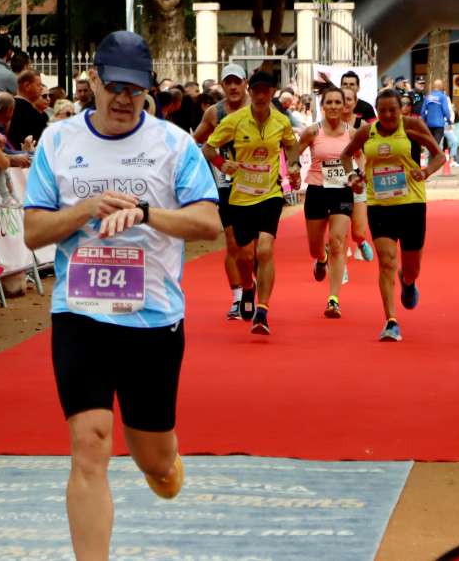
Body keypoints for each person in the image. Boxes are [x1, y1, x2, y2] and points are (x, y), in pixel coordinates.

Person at [22, 30, 220, 561]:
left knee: (152, 459)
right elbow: (34, 233)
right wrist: (86, 210)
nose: (125, 99)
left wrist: (149, 213)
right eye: (114, 87)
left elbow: (208, 223)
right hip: (79, 314)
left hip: (152, 320)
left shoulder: (173, 144)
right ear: (92, 81)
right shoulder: (58, 143)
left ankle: (165, 462)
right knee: (89, 445)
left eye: (135, 89)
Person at [202, 69, 300, 335]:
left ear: (272, 93)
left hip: (269, 195)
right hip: (240, 196)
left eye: (265, 90)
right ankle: (248, 288)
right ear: (250, 91)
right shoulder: (234, 120)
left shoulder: (281, 121)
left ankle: (263, 310)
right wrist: (224, 164)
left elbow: (291, 147)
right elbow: (208, 148)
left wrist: (294, 167)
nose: (259, 95)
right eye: (255, 90)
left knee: (265, 250)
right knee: (245, 256)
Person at [342, 89, 444, 342]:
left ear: (401, 110)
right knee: (386, 262)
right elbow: (346, 155)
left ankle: (407, 282)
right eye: (383, 110)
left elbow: (439, 155)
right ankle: (391, 321)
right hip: (380, 204)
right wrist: (353, 176)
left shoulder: (412, 125)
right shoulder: (368, 132)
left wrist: (426, 171)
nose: (387, 115)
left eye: (392, 110)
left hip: (411, 204)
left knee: (412, 268)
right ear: (377, 111)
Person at [285, 86, 353, 318]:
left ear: (345, 106)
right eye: (329, 102)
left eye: (338, 102)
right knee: (316, 248)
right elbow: (293, 153)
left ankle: (333, 299)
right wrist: (293, 168)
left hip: (343, 192)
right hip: (317, 189)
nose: (334, 106)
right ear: (323, 106)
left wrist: (361, 175)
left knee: (337, 242)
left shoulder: (353, 133)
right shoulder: (312, 132)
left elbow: (362, 158)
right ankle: (321, 259)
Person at [193, 63, 250, 320]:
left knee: (255, 248)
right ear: (223, 86)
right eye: (229, 82)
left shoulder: (260, 109)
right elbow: (198, 141)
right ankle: (238, 298)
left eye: (237, 81)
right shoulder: (214, 113)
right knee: (232, 242)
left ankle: (251, 287)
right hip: (227, 184)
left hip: (258, 185)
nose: (234, 87)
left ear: (245, 83)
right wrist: (218, 162)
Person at [340, 86, 376, 263]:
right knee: (338, 230)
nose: (345, 103)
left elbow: (365, 154)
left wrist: (363, 173)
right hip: (335, 182)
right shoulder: (328, 124)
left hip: (357, 180)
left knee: (358, 231)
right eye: (342, 99)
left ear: (355, 103)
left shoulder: (361, 127)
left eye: (349, 99)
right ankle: (340, 264)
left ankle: (361, 242)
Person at [9, 70, 48, 146]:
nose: (41, 88)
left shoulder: (13, 105)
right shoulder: (27, 111)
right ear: (27, 86)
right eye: (38, 85)